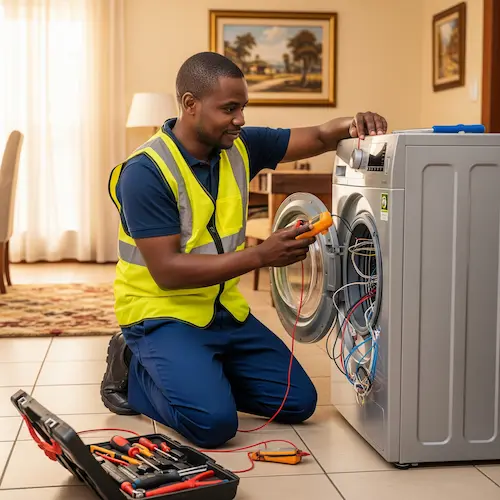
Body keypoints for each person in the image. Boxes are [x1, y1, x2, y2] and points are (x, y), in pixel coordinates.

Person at [101, 51, 388, 449]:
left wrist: (355, 123)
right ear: (189, 105)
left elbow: (321, 136)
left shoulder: (239, 147)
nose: (240, 119)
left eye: (243, 107)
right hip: (161, 314)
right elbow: (166, 270)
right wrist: (261, 255)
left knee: (298, 402)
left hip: (223, 314)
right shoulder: (146, 172)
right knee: (213, 425)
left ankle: (200, 374)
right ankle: (132, 370)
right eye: (229, 108)